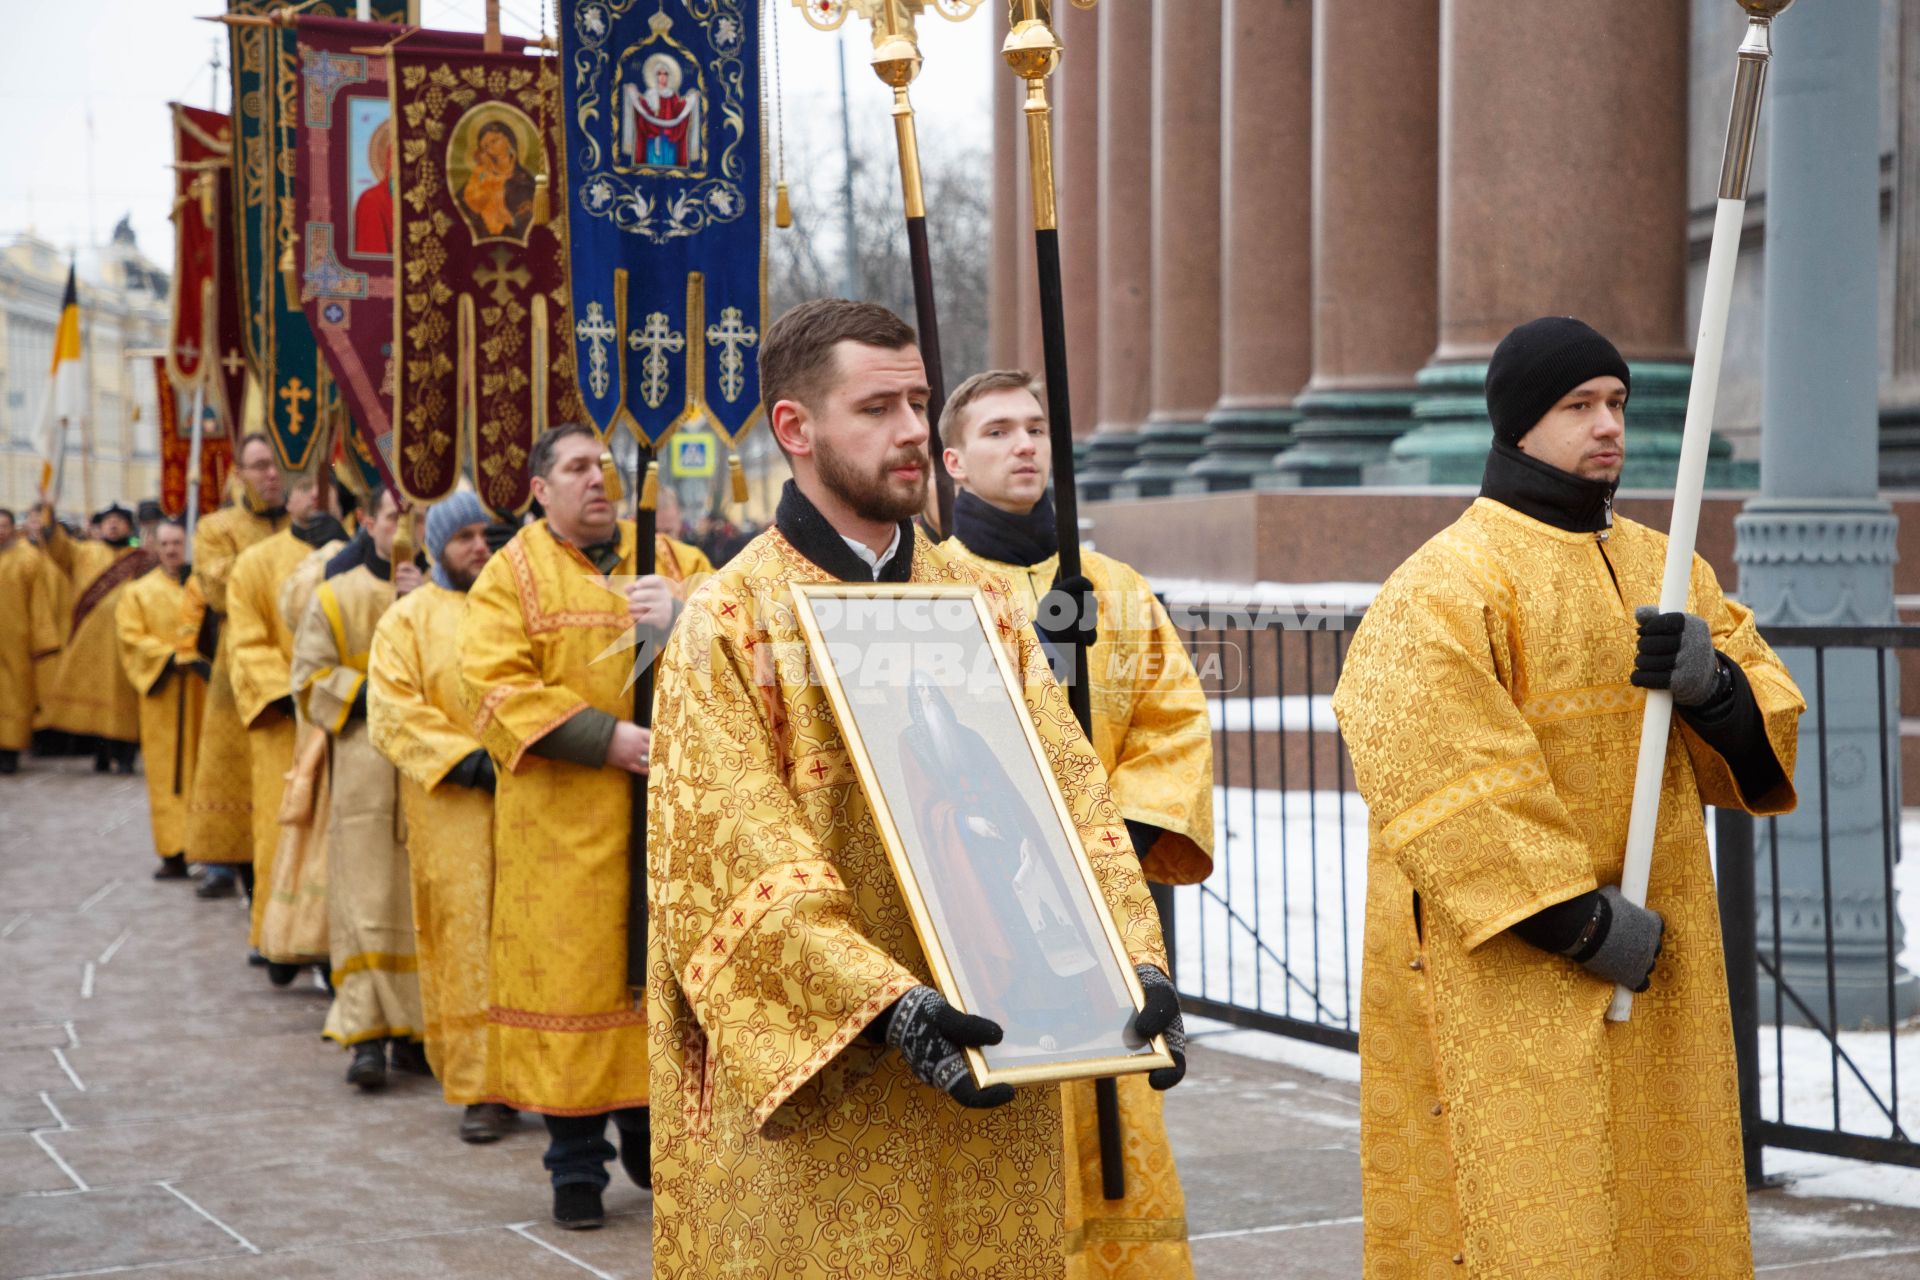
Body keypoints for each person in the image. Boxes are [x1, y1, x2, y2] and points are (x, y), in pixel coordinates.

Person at [645, 299, 1183, 1277]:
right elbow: (728, 863)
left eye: (919, 403)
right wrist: (883, 1004)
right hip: (833, 1092)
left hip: (1004, 1053)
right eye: (877, 407)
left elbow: (1067, 800)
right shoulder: (729, 622)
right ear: (795, 429)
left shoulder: (979, 607)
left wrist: (1128, 961)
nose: (909, 432)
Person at [1330, 316, 1806, 1276]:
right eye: (1577, 406)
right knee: (1526, 1229)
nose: (1608, 427)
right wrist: (1584, 926)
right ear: (1516, 425)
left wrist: (1716, 692)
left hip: (1662, 968)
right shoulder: (1444, 583)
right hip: (1511, 980)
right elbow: (1431, 763)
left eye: (1618, 404)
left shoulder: (1666, 568)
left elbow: (1763, 722)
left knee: (1660, 1215)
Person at [941, 368, 1215, 1278]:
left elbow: (1172, 723)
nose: (1023, 445)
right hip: (981, 913)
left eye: (1034, 427)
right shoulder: (925, 593)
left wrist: (1113, 844)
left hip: (1103, 907)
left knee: (1118, 1129)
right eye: (997, 432)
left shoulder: (1115, 586)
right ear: (953, 461)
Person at [460, 422, 707, 1228]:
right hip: (562, 833)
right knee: (574, 992)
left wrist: (684, 618)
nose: (597, 479)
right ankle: (574, 1167)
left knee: (655, 985)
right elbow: (492, 689)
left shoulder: (675, 564)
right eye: (576, 468)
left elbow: (754, 645)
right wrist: (608, 739)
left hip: (664, 827)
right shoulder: (511, 575)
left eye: (605, 466)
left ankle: (647, 1130)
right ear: (539, 488)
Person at [368, 490, 517, 1140]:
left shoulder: (513, 609)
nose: (479, 548)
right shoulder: (407, 620)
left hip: (528, 803)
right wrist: (467, 761)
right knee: (463, 943)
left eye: (486, 536)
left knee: (528, 939)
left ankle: (543, 1076)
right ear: (438, 548)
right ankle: (481, 1087)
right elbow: (392, 709)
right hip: (451, 808)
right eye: (465, 538)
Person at [292, 487, 426, 1088]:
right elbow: (310, 678)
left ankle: (419, 1033)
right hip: (363, 773)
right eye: (396, 517)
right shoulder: (335, 596)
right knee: (365, 901)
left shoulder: (439, 598)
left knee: (421, 904)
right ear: (367, 521)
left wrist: (424, 608)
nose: (406, 529)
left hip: (425, 773)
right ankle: (366, 1035)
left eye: (417, 519)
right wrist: (379, 692)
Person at [223, 471, 344, 930]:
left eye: (323, 487)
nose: (316, 495)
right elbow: (247, 640)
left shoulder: (366, 553)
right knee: (281, 825)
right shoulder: (256, 563)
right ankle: (274, 932)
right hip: (284, 718)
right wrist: (289, 695)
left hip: (345, 713)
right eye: (306, 488)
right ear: (289, 499)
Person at [183, 435, 290, 897]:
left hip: (300, 656)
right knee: (242, 777)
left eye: (278, 465)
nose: (271, 475)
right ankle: (245, 887)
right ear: (240, 473)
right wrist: (285, 561)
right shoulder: (215, 527)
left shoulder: (312, 522)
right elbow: (219, 589)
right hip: (238, 667)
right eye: (260, 465)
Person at [114, 520, 207, 880]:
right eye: (165, 543)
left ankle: (208, 847)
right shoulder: (139, 592)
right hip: (164, 695)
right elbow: (131, 638)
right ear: (155, 546)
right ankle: (173, 849)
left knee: (203, 767)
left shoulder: (201, 590)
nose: (171, 550)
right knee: (168, 774)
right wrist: (170, 656)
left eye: (178, 542)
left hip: (200, 691)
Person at [38, 502, 153, 774]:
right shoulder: (84, 552)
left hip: (127, 638)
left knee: (125, 699)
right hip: (91, 642)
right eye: (108, 521)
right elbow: (58, 548)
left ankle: (125, 756)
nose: (113, 525)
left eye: (119, 521)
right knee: (96, 698)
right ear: (99, 528)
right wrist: (48, 515)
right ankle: (101, 753)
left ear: (129, 526)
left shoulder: (142, 558)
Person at [0, 507, 59, 775]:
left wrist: (42, 640)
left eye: (4, 526)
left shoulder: (28, 559)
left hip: (17, 642)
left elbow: (39, 603)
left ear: (14, 528)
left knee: (15, 697)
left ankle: (10, 752)